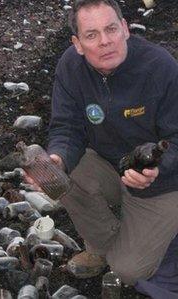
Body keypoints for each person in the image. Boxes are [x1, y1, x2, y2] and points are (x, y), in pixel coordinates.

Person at [26, 0, 178, 296]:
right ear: (78, 43)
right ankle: (103, 245)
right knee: (62, 173)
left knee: (128, 270)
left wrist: (158, 168)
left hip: (163, 182)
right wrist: (57, 158)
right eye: (92, 34)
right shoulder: (71, 66)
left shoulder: (161, 67)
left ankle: (138, 239)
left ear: (125, 29)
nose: (105, 41)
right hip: (111, 165)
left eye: (111, 29)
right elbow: (66, 127)